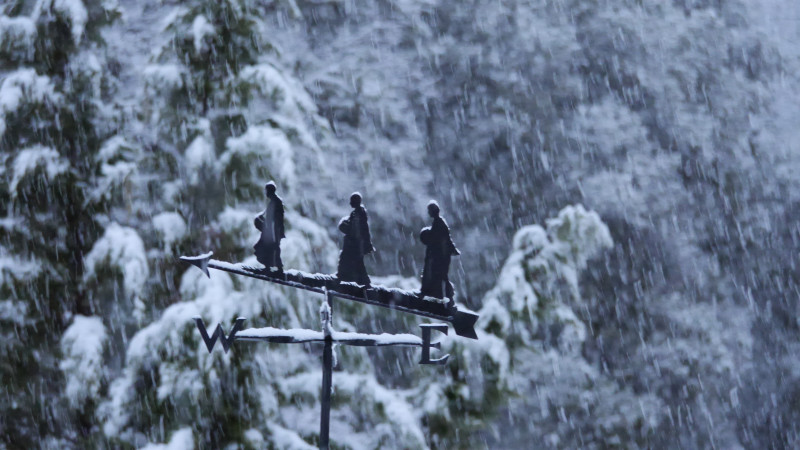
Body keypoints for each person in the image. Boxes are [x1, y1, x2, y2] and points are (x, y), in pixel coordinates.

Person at [420, 201, 460, 300]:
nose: (428, 213)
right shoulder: (437, 223)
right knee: (435, 274)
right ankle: (430, 292)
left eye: (429, 210)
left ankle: (448, 294)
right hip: (438, 256)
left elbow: (442, 239)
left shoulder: (439, 223)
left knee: (441, 275)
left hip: (441, 257)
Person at [336, 192, 374, 285]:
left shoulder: (359, 214)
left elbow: (361, 230)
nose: (350, 203)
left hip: (355, 244)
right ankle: (343, 275)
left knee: (356, 261)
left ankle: (363, 280)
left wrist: (366, 244)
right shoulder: (355, 213)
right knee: (350, 260)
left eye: (352, 201)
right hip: (353, 243)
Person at [254, 181, 285, 272]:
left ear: (269, 191)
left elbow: (276, 220)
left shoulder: (276, 202)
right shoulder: (273, 202)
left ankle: (279, 269)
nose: (265, 193)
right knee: (265, 248)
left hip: (273, 232)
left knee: (273, 248)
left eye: (266, 191)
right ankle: (268, 267)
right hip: (270, 231)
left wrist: (274, 233)